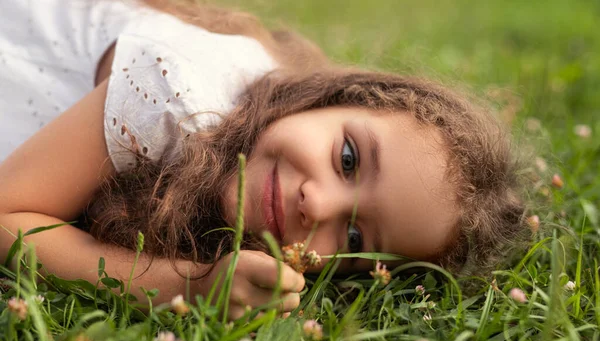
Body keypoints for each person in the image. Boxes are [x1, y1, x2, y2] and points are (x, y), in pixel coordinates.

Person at [0, 0, 525, 319]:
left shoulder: (259, 145)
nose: (316, 204)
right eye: (347, 158)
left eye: (356, 239)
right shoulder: (174, 94)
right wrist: (187, 284)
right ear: (331, 98)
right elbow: (6, 216)